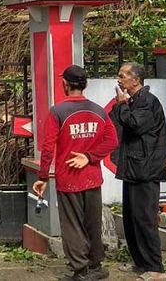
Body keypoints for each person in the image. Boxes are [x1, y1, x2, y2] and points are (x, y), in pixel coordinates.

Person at [33, 65, 119, 281]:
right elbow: (112, 141)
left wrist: (43, 177)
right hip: (92, 178)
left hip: (68, 178)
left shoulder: (57, 112)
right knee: (92, 223)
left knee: (72, 225)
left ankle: (80, 270)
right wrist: (90, 157)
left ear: (66, 84)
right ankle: (95, 266)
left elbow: (48, 148)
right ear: (85, 85)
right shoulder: (98, 111)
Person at [110, 62, 166, 281]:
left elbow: (135, 126)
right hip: (133, 167)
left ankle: (156, 268)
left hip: (146, 170)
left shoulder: (147, 101)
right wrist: (122, 105)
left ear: (136, 80)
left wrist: (122, 105)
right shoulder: (133, 101)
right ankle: (140, 262)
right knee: (131, 218)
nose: (119, 79)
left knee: (144, 218)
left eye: (123, 76)